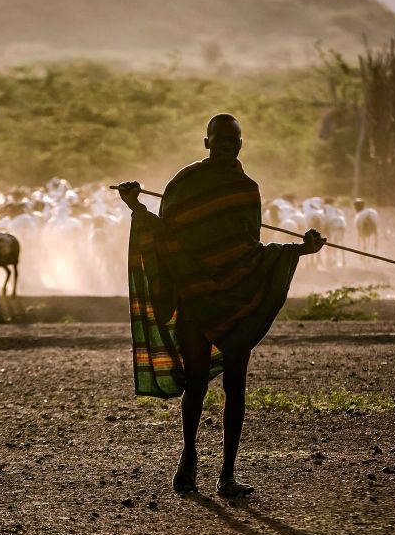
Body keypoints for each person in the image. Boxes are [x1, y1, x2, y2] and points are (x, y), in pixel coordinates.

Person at [117, 113, 324, 498]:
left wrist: (301, 249)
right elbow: (167, 238)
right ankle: (188, 459)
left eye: (234, 141)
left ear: (240, 145)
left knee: (236, 386)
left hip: (236, 297)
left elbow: (248, 248)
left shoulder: (247, 189)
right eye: (220, 140)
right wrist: (136, 208)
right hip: (196, 295)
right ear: (207, 142)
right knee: (195, 383)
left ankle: (227, 474)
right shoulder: (184, 183)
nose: (228, 146)